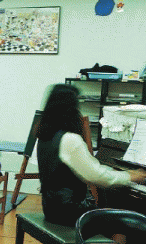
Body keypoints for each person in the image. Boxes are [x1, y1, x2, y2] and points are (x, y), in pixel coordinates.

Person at [37, 84, 146, 226]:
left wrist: (116, 172)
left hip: (51, 208)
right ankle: (114, 241)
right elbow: (97, 175)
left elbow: (90, 170)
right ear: (70, 108)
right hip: (71, 212)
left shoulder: (45, 137)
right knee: (124, 221)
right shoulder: (70, 139)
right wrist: (130, 176)